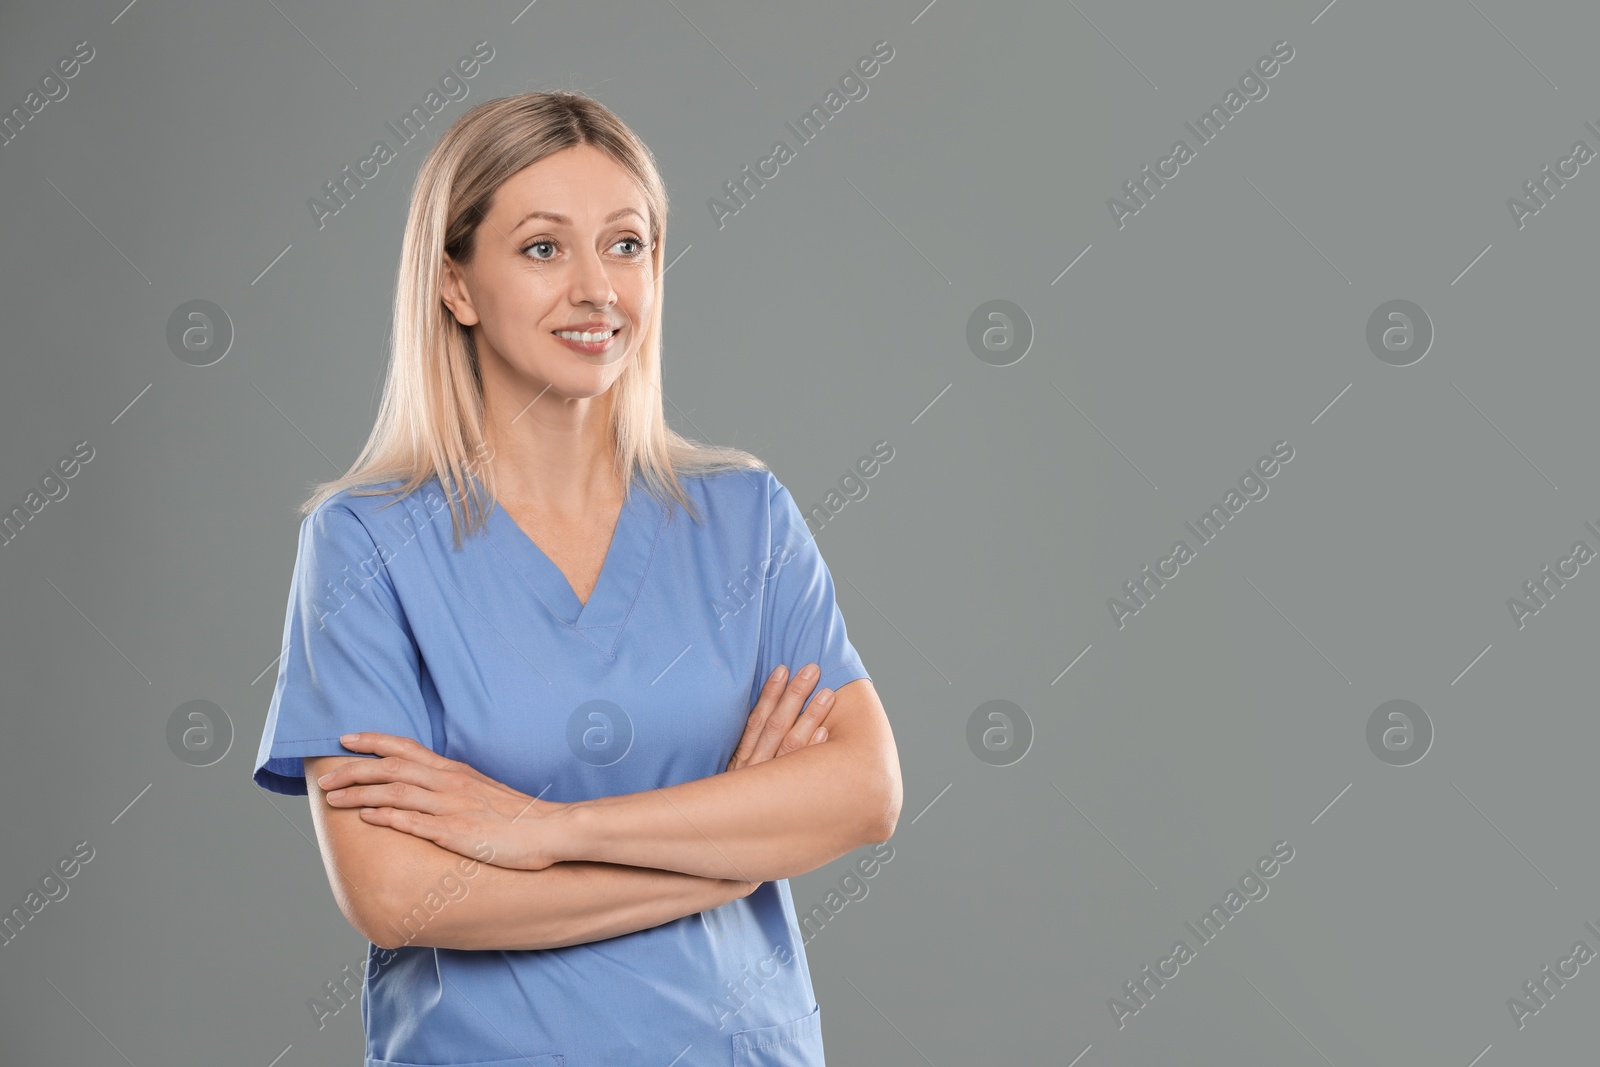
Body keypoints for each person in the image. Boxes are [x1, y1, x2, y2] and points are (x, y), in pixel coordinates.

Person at [251, 91, 902, 1067]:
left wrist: (545, 828)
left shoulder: (743, 518)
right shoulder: (364, 544)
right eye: (544, 248)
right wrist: (731, 843)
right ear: (456, 285)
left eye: (627, 244)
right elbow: (394, 895)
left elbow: (863, 792)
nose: (597, 287)